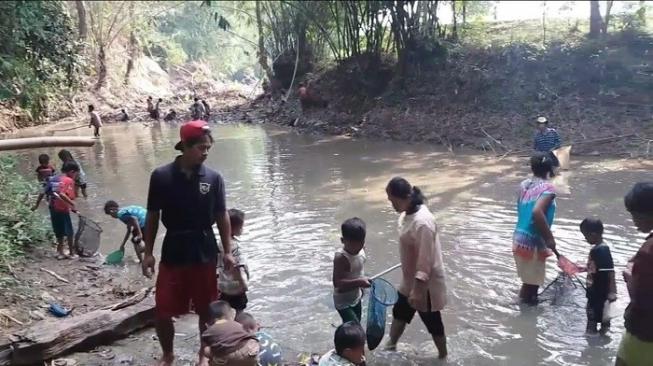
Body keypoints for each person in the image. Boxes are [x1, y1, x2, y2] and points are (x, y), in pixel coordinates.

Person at [142, 119, 235, 366]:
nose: (205, 153)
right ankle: (168, 353)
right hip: (173, 248)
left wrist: (228, 251)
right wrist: (148, 252)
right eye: (200, 147)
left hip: (204, 248)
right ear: (184, 145)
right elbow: (152, 215)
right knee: (163, 309)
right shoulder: (161, 176)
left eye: (208, 148)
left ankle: (203, 355)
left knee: (207, 309)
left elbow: (221, 214)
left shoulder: (214, 178)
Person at [384, 177, 448, 359]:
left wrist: (418, 291)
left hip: (425, 284)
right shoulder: (407, 214)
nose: (392, 205)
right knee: (400, 312)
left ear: (404, 197)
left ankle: (443, 356)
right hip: (409, 279)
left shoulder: (423, 223)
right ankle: (390, 345)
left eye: (392, 201)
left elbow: (425, 262)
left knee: (433, 322)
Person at [513, 153, 557, 304]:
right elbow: (537, 212)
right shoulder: (548, 189)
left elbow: (521, 210)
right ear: (549, 169)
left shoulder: (524, 185)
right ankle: (523, 313)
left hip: (519, 238)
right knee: (531, 284)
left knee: (530, 282)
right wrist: (550, 238)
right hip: (532, 242)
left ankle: (528, 305)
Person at [616, 183, 653, 366]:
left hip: (644, 335)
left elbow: (642, 298)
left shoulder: (648, 251)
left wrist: (630, 277)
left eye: (634, 215)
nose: (633, 221)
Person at [32, 161, 79, 259]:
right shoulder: (68, 180)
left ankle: (60, 252)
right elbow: (62, 194)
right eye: (76, 173)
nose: (76, 176)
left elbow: (42, 192)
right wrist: (72, 204)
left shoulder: (54, 178)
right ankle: (71, 253)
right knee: (69, 231)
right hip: (62, 209)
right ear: (72, 172)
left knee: (59, 231)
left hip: (53, 208)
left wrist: (36, 205)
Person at [580, 218, 616, 335]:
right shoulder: (598, 249)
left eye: (586, 236)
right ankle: (600, 344)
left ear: (593, 234)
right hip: (595, 293)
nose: (585, 239)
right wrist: (581, 268)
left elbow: (610, 272)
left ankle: (591, 344)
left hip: (599, 294)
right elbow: (596, 268)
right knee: (603, 318)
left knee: (593, 321)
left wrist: (612, 292)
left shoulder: (601, 250)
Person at [332, 217, 369, 323]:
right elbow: (338, 284)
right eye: (353, 244)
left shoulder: (362, 249)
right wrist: (359, 282)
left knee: (356, 325)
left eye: (360, 243)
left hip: (356, 296)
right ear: (343, 241)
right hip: (343, 302)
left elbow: (358, 269)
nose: (357, 247)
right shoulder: (341, 258)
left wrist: (362, 284)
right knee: (354, 325)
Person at [201, 301, 259, 366]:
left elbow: (205, 349)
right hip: (252, 349)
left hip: (229, 357)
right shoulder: (237, 324)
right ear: (229, 315)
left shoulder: (209, 331)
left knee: (207, 350)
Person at [218, 209, 250, 313]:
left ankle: (226, 326)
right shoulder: (235, 246)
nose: (242, 229)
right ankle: (239, 327)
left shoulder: (221, 243)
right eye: (241, 227)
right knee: (240, 310)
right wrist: (243, 284)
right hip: (236, 285)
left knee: (226, 310)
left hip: (223, 284)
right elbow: (237, 267)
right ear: (234, 228)